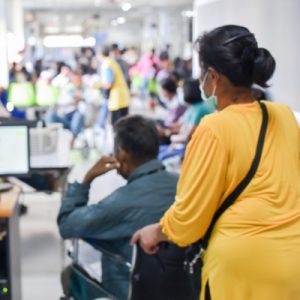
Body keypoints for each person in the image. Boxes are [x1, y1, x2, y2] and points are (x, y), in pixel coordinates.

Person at [131, 24, 300, 300]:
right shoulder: (284, 117)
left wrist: (158, 231)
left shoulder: (213, 128)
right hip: (294, 260)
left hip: (244, 269)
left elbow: (190, 218)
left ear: (213, 76)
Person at [57, 115, 179, 299]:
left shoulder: (122, 202)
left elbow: (66, 225)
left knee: (68, 275)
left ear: (121, 154)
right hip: (182, 287)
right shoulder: (184, 185)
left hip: (133, 290)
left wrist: (86, 181)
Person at [158, 79, 213, 161]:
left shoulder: (198, 110)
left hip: (189, 149)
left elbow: (188, 135)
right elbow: (182, 127)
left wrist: (171, 137)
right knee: (161, 150)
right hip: (184, 145)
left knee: (161, 155)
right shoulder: (195, 108)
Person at [45, 72, 85, 142]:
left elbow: (88, 107)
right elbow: (60, 103)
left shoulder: (86, 90)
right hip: (64, 118)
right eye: (74, 80)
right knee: (50, 115)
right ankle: (52, 139)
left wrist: (81, 99)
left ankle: (72, 140)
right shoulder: (67, 90)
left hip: (77, 120)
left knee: (78, 115)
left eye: (78, 80)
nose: (77, 82)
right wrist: (73, 99)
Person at [98, 46, 130, 127]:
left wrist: (97, 85)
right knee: (123, 125)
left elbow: (109, 84)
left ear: (100, 54)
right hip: (123, 96)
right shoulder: (112, 62)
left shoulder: (107, 64)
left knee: (117, 126)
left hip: (117, 99)